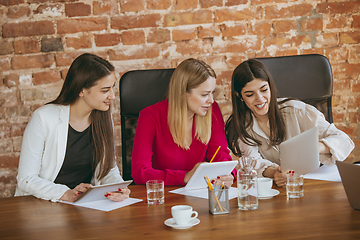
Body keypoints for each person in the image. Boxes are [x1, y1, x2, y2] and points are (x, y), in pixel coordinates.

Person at [15, 53, 130, 202]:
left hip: (84, 205)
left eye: (112, 88)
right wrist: (66, 193)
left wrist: (117, 188)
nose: (112, 96)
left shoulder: (104, 117)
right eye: (105, 90)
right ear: (81, 90)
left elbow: (108, 169)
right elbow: (26, 178)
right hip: (42, 204)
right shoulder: (43, 118)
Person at [225, 59, 354, 186]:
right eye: (250, 94)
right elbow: (253, 163)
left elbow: (344, 140)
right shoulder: (240, 127)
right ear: (239, 96)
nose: (260, 99)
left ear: (270, 87)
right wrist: (275, 173)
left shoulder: (297, 110)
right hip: (275, 190)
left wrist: (315, 147)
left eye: (264, 90)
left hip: (313, 183)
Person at [131, 58, 236, 187]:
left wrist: (228, 174)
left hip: (201, 193)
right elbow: (140, 172)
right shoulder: (150, 116)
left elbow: (220, 155)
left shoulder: (212, 111)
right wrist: (185, 176)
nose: (211, 100)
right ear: (183, 93)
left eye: (212, 93)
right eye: (204, 95)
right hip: (164, 196)